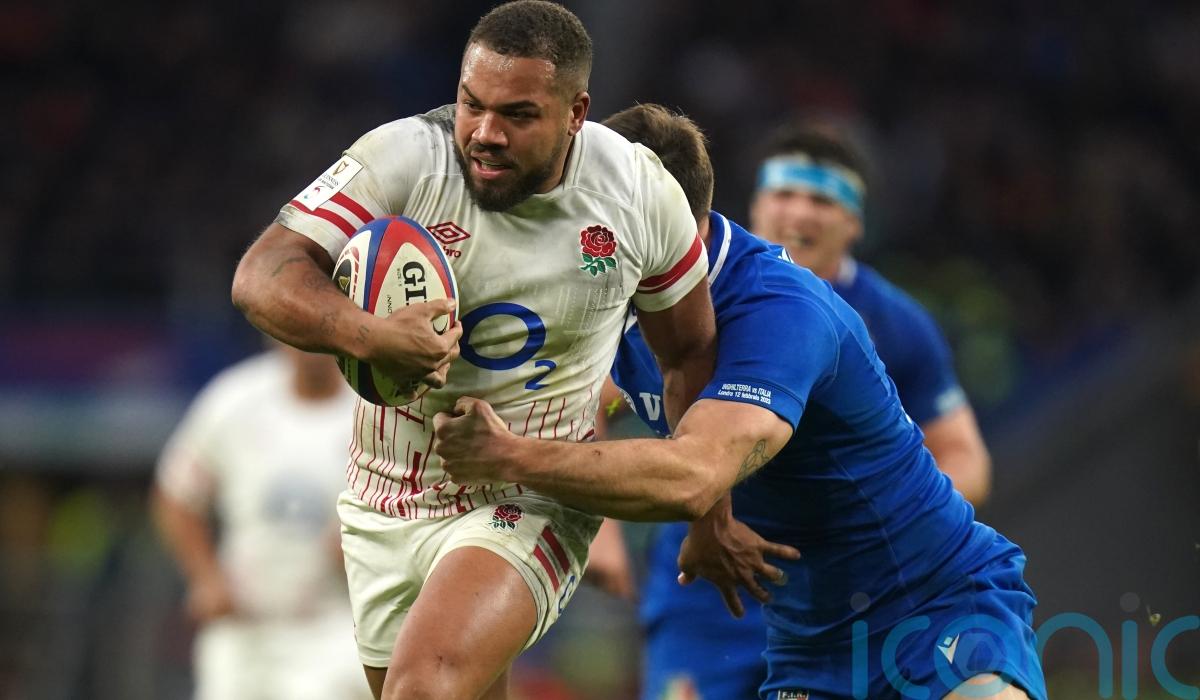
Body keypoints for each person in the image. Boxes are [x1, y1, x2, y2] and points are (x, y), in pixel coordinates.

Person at [433, 104, 1046, 700]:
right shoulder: (613, 297)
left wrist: (508, 455)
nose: (567, 229)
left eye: (583, 209)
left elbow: (695, 471)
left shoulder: (784, 312)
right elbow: (612, 407)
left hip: (929, 602)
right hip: (807, 636)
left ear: (653, 219)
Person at [229, 3, 717, 699]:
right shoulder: (405, 157)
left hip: (532, 491)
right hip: (384, 494)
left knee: (423, 688)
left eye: (517, 115)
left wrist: (713, 516)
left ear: (576, 113)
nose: (485, 133)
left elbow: (690, 353)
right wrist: (373, 336)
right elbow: (262, 275)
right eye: (471, 104)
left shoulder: (638, 194)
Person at [598, 123, 995, 698]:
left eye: (823, 200)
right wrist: (600, 533)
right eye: (784, 194)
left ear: (855, 222)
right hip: (706, 590)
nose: (800, 213)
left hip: (842, 594)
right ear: (756, 204)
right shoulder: (671, 302)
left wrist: (889, 527)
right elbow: (594, 400)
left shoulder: (897, 325)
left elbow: (963, 454)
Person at [152, 345, 370, 700]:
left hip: (334, 626)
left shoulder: (374, 409)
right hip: (242, 625)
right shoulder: (236, 398)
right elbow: (177, 492)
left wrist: (366, 545)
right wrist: (205, 576)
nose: (310, 345)